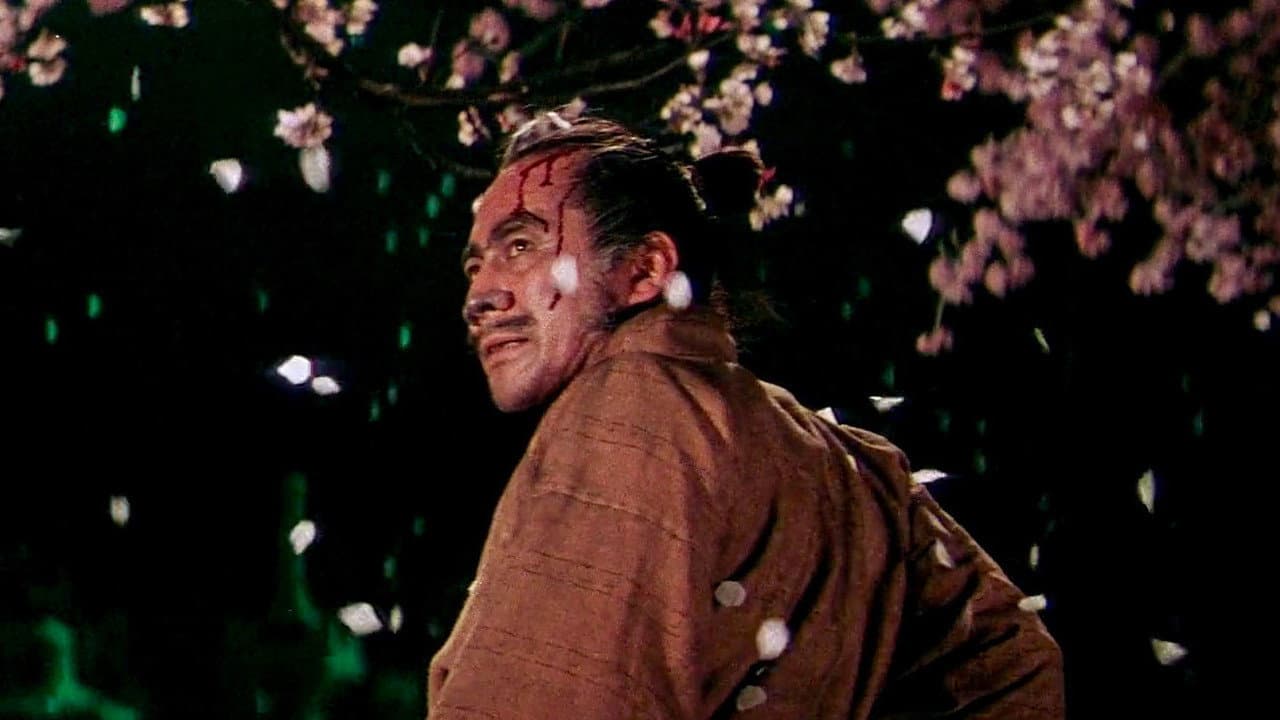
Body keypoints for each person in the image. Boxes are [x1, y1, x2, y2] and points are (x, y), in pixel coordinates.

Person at [429, 111, 1064, 719]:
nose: (478, 295)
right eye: (475, 264)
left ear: (646, 269)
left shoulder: (630, 414)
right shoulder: (850, 460)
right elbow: (1018, 672)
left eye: (520, 245)